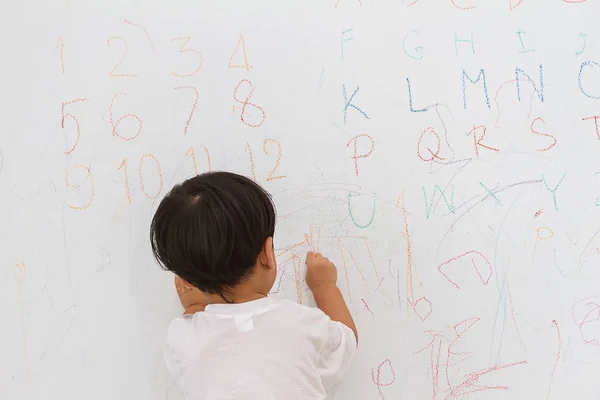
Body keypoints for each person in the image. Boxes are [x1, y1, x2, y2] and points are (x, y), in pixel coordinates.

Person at [150, 171, 358, 400]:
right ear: (267, 254)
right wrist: (324, 287)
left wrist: (193, 307)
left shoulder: (182, 339)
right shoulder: (301, 325)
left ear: (186, 281)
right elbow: (346, 343)